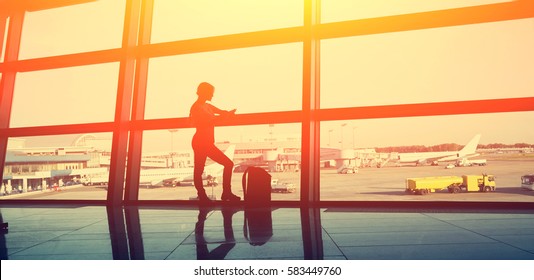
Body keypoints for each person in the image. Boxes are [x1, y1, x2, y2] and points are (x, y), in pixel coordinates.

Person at [189, 82, 240, 203]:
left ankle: (220, 193)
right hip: (201, 143)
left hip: (206, 143)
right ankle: (212, 194)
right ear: (205, 92)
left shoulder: (207, 106)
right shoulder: (196, 107)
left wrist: (228, 114)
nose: (212, 95)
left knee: (203, 169)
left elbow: (221, 113)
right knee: (200, 170)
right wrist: (225, 116)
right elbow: (212, 121)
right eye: (211, 93)